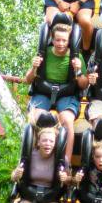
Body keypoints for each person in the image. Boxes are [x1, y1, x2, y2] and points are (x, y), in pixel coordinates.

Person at [25, 20, 84, 159]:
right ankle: (30, 157)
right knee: (34, 118)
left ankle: (66, 162)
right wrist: (34, 68)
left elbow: (83, 85)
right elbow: (28, 80)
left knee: (67, 120)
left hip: (66, 93)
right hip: (43, 92)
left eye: (64, 40)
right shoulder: (43, 54)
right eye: (57, 40)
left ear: (69, 40)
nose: (61, 44)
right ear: (52, 38)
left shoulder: (77, 57)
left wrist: (79, 70)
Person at [10, 120, 69, 203]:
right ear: (39, 142)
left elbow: (70, 181)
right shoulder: (29, 155)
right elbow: (13, 176)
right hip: (29, 197)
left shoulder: (62, 159)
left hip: (50, 198)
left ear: (56, 143)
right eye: (45, 140)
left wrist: (66, 178)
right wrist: (15, 174)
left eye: (51, 141)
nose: (48, 143)